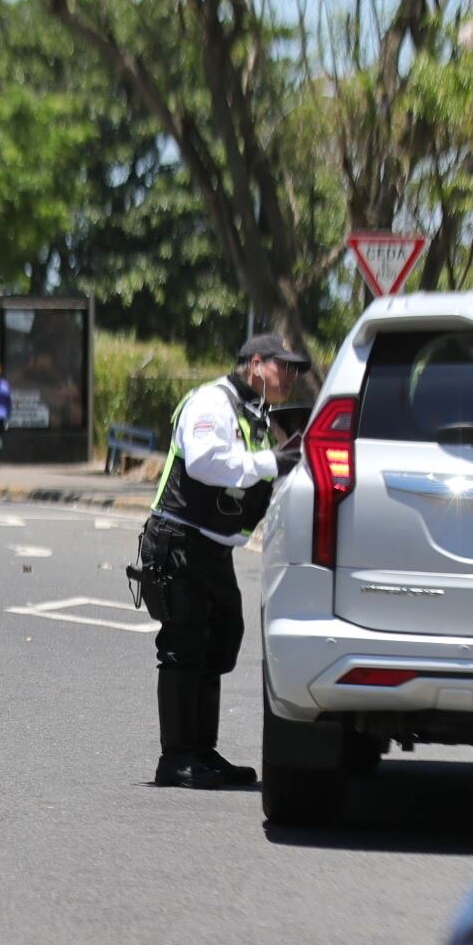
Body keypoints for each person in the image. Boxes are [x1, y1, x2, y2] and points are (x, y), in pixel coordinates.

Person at [130, 332, 310, 789]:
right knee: (183, 645)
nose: (290, 376)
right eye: (283, 366)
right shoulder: (212, 402)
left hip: (211, 548)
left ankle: (201, 751)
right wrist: (273, 461)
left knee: (221, 639)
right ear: (255, 363)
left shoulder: (254, 411)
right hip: (180, 540)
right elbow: (204, 462)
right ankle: (176, 757)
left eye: (295, 369)